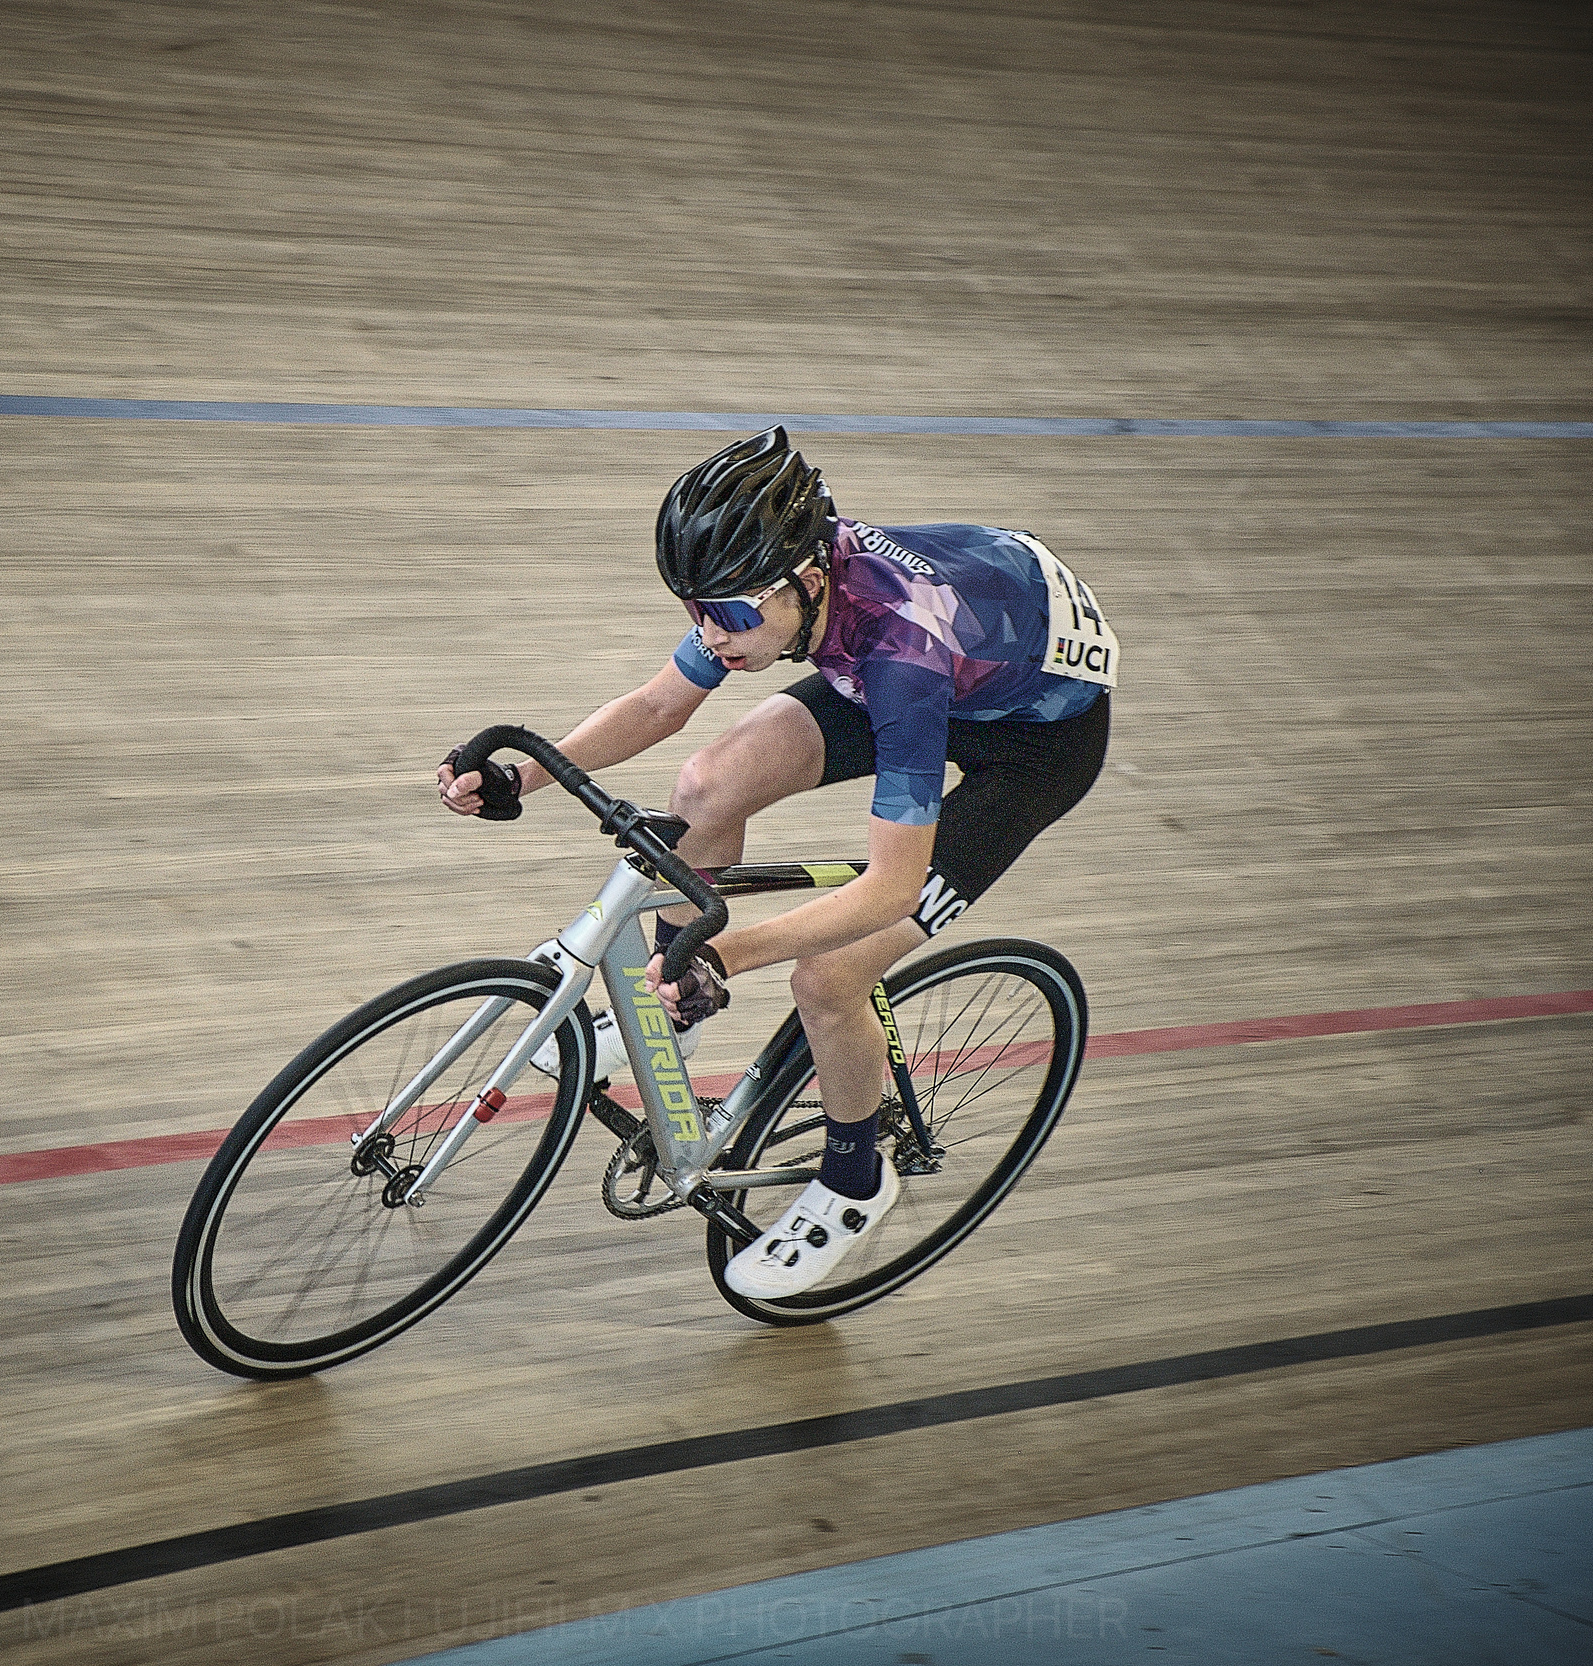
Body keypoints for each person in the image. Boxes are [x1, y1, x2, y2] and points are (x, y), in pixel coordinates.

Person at [437, 426, 1113, 1299]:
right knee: (708, 784)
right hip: (960, 659)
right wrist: (520, 774)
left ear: (806, 582)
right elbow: (657, 704)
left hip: (1034, 745)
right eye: (694, 610)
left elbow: (890, 886)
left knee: (831, 975)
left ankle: (854, 1180)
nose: (711, 634)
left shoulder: (899, 650)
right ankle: (671, 1015)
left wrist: (727, 953)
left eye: (732, 616)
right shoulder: (778, 582)